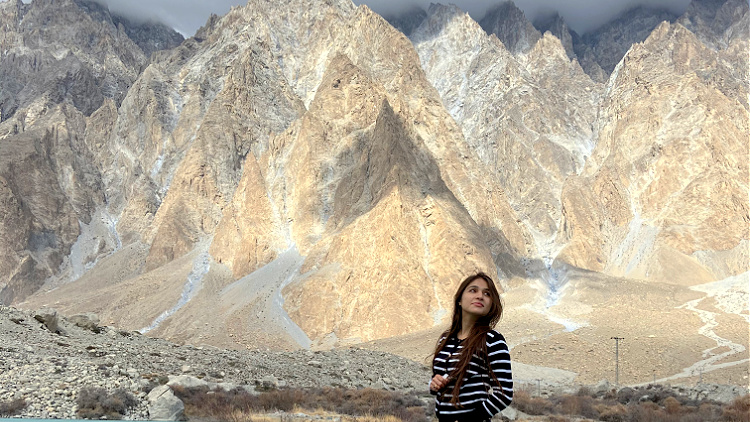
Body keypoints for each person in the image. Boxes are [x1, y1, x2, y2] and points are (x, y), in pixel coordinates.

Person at [429, 272, 513, 421]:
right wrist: (434, 383)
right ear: (460, 300)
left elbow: (504, 393)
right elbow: (440, 382)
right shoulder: (445, 338)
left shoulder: (492, 340)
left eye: (487, 293)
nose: (480, 296)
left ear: (491, 304)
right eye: (473, 290)